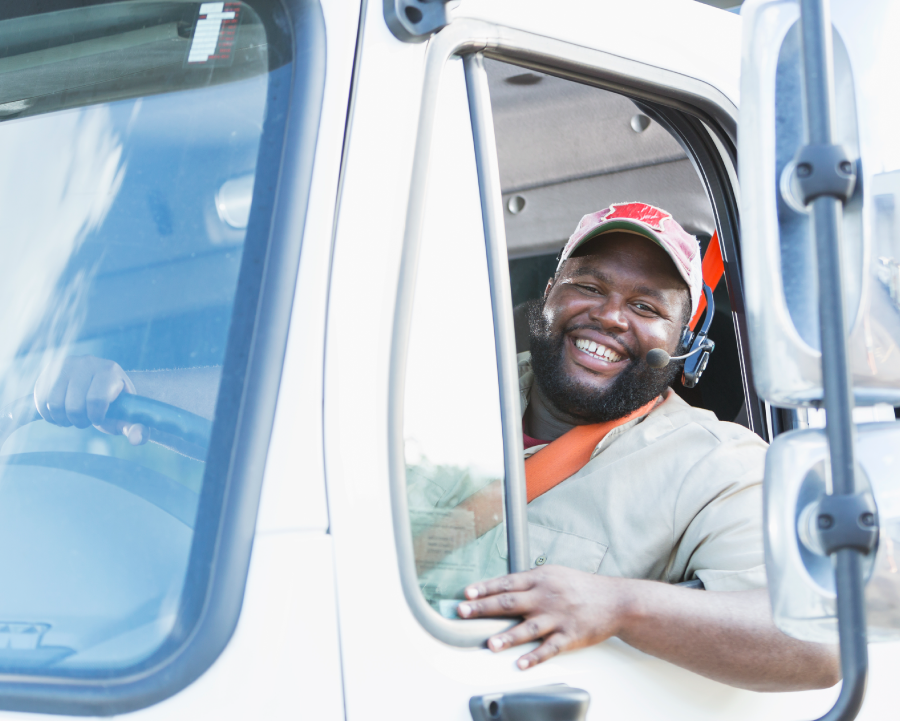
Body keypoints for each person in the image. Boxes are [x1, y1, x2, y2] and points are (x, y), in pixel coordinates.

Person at [34, 202, 839, 691]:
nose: (608, 315)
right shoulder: (440, 388)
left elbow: (816, 641)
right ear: (546, 303)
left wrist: (620, 606)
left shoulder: (719, 466)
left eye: (647, 304)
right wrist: (114, 379)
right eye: (587, 285)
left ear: (684, 346)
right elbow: (279, 402)